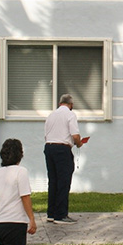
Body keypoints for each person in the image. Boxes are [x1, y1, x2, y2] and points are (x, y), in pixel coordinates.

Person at [44, 94, 84, 225]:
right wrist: (79, 143)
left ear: (60, 103)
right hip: (62, 150)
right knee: (63, 181)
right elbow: (75, 135)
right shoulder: (70, 115)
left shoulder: (51, 115)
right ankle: (61, 215)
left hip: (49, 148)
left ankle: (51, 213)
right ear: (71, 105)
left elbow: (46, 135)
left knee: (53, 181)